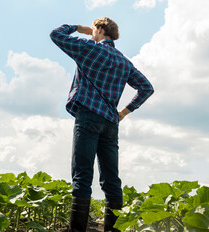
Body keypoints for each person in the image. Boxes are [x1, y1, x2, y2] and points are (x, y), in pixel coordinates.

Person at [50, 17, 154, 232]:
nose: (91, 32)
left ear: (99, 29)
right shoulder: (124, 62)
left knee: (82, 175)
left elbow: (56, 34)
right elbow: (146, 88)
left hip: (88, 116)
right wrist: (124, 112)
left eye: (93, 28)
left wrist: (79, 28)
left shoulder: (89, 48)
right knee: (111, 180)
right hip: (110, 123)